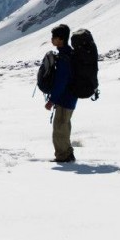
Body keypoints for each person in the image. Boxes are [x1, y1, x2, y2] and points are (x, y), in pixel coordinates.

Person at [44, 23, 78, 164]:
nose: (52, 40)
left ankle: (64, 156)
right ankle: (67, 153)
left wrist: (52, 100)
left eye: (54, 37)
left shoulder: (64, 57)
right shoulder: (68, 54)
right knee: (64, 126)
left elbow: (61, 82)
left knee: (59, 127)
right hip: (69, 97)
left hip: (65, 98)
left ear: (61, 39)